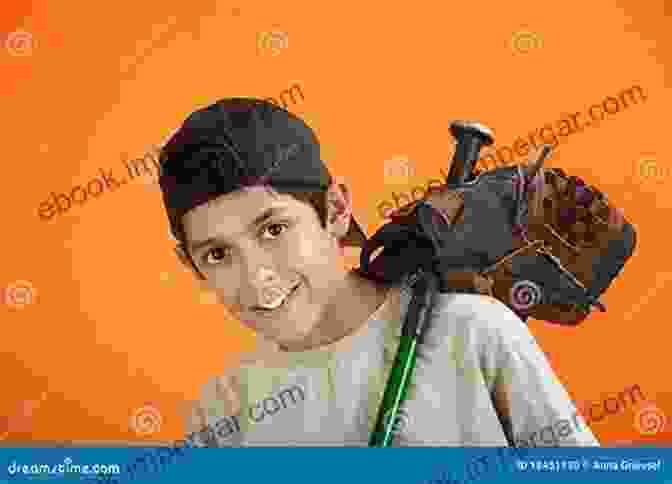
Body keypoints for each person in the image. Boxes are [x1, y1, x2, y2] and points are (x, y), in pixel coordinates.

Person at [158, 98, 600, 447]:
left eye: (273, 229)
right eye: (218, 254)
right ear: (191, 265)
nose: (257, 276)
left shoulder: (473, 333)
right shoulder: (221, 411)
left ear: (335, 210)